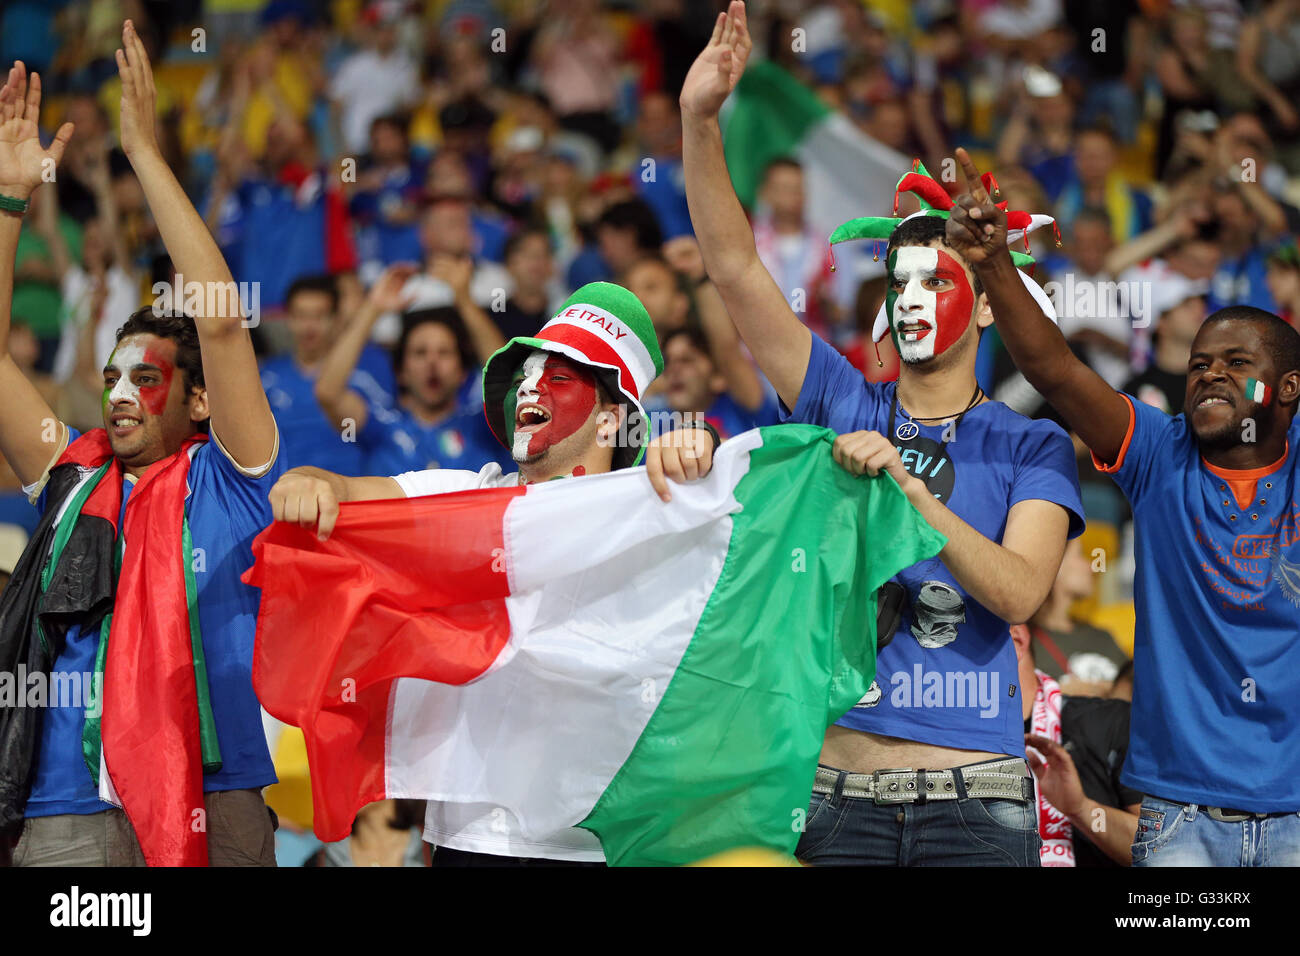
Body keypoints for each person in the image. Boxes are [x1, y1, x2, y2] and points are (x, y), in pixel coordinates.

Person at [680, 3, 1083, 867]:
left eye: (932, 278)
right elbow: (735, 268)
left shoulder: (1031, 444)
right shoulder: (838, 396)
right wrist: (700, 121)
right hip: (833, 799)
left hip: (977, 804)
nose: (906, 298)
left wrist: (905, 485)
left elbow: (1016, 593)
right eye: (896, 280)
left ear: (981, 303)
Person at [268, 281, 718, 864]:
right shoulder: (471, 495)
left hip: (595, 846)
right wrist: (310, 481)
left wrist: (702, 446)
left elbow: (748, 513)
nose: (530, 386)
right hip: (471, 840)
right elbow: (349, 492)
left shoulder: (654, 508)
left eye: (559, 377)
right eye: (526, 376)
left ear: (611, 423)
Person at [946, 146, 1300, 866]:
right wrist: (992, 265)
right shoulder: (1156, 451)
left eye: (1238, 364)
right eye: (1200, 364)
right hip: (1177, 817)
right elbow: (1053, 368)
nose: (1210, 375)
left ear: (1288, 390)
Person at [0, 23, 283, 866]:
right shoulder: (72, 474)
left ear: (199, 400)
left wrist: (145, 156)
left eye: (146, 378)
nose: (118, 395)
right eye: (112, 376)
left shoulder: (230, 475)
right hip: (68, 803)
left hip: (216, 789)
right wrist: (9, 205)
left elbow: (223, 321)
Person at [314, 265, 511, 476]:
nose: (432, 362)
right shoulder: (382, 425)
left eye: (444, 352)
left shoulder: (483, 424)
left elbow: (510, 381)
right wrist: (372, 308)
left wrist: (464, 301)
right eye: (419, 352)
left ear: (463, 373)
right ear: (401, 372)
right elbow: (328, 392)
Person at [1011, 625, 1142, 868]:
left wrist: (1082, 810)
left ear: (1015, 639)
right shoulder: (937, 744)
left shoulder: (1111, 722)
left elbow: (1157, 848)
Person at [259, 274, 395, 475]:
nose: (309, 326)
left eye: (319, 316)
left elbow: (388, 436)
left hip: (352, 490)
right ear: (287, 319)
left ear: (336, 318)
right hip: (282, 493)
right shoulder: (266, 378)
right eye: (301, 316)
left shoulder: (366, 373)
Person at [1025, 538, 1129, 697]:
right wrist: (1059, 692)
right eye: (1080, 555)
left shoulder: (1102, 636)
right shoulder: (1024, 640)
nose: (1091, 568)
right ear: (1054, 564)